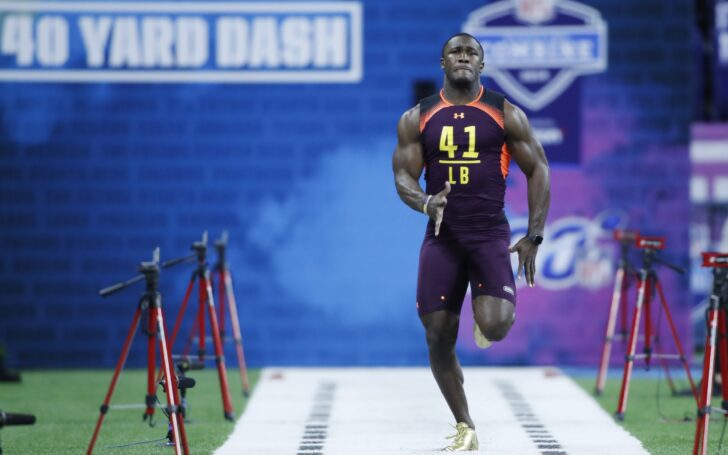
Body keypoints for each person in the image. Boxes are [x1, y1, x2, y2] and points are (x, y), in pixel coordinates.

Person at [392, 32, 550, 451]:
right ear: (442, 62)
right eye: (455, 51)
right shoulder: (417, 117)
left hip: (487, 233)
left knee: (496, 325)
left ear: (482, 64)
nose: (463, 57)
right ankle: (466, 425)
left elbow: (540, 169)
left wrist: (533, 235)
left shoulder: (504, 112)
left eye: (471, 52)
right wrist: (425, 201)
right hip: (442, 236)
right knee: (437, 335)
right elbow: (402, 177)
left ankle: (485, 315)